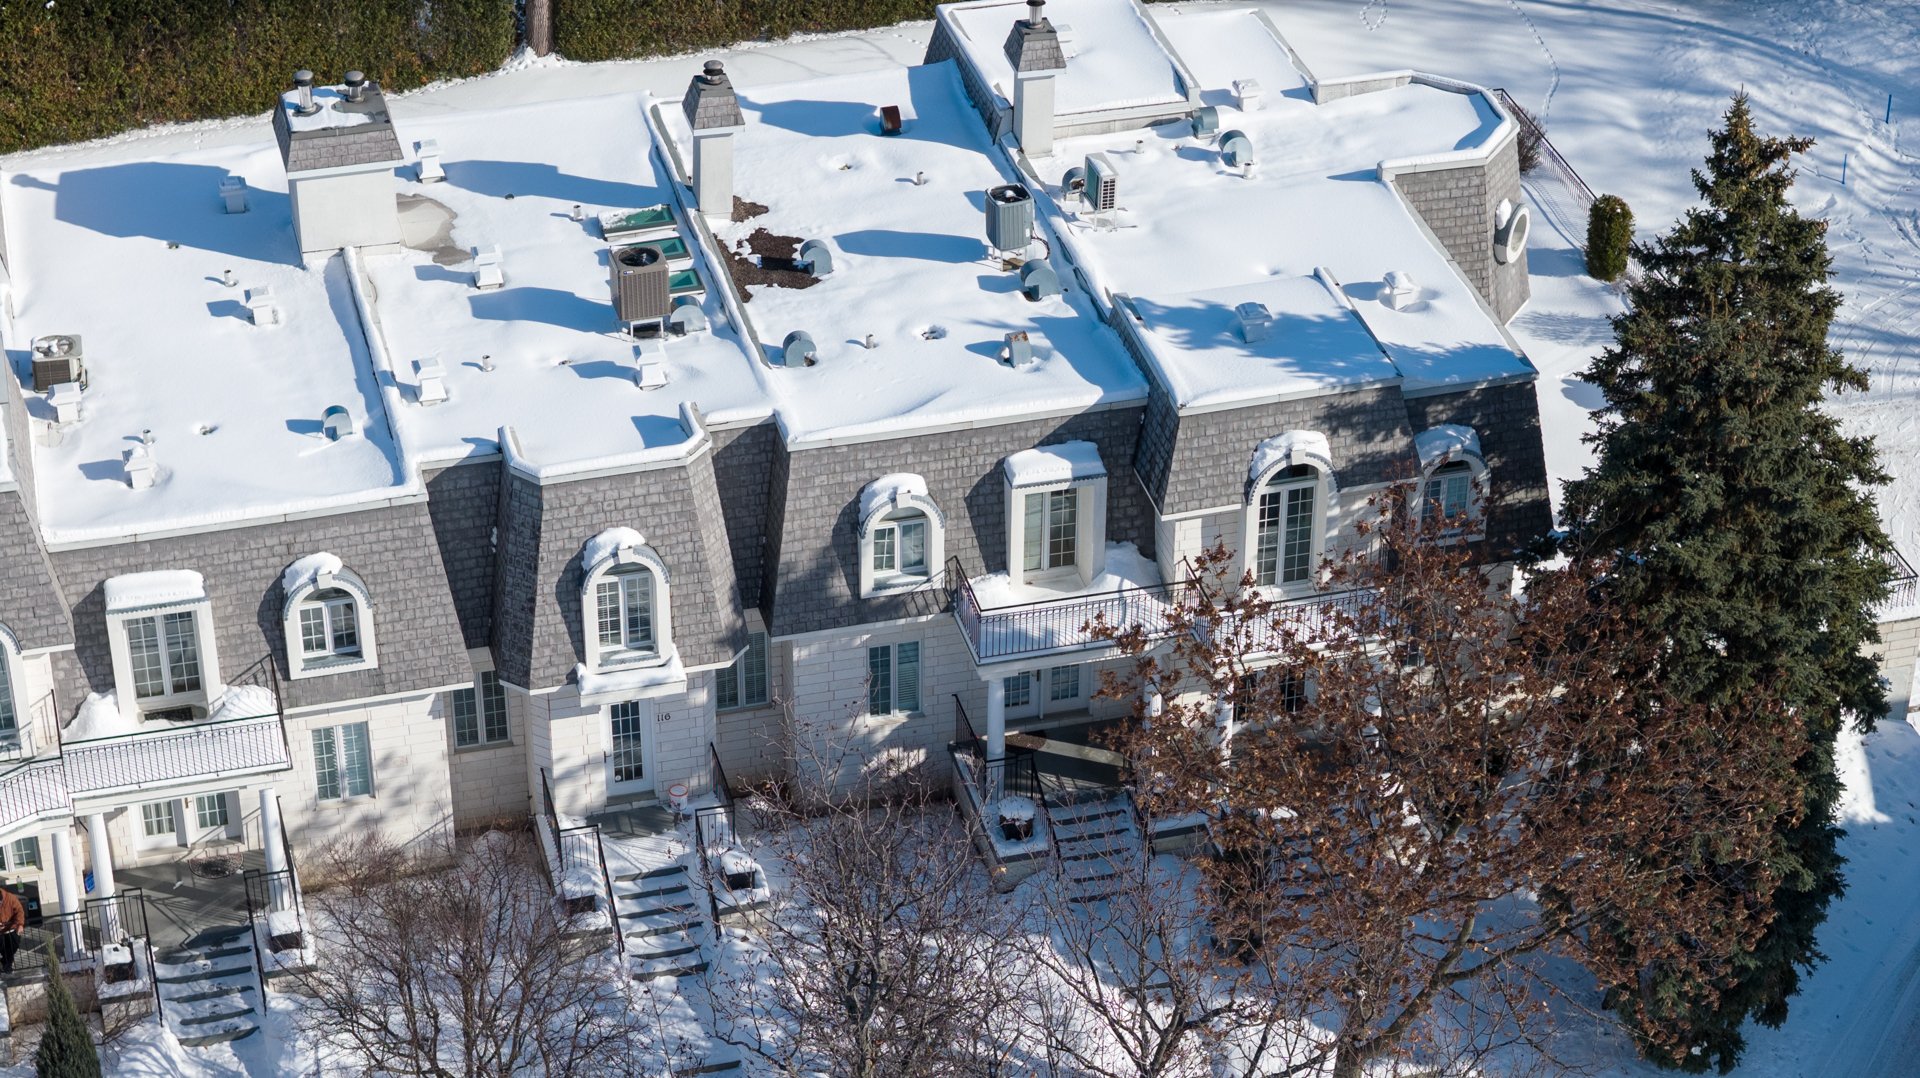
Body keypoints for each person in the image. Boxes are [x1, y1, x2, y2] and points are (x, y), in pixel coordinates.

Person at [0, 881, 25, 974]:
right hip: (0, 932)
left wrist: (20, 924)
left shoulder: (10, 898)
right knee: (2, 948)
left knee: (14, 946)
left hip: (11, 928)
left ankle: (6, 963)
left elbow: (19, 911)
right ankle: (7, 965)